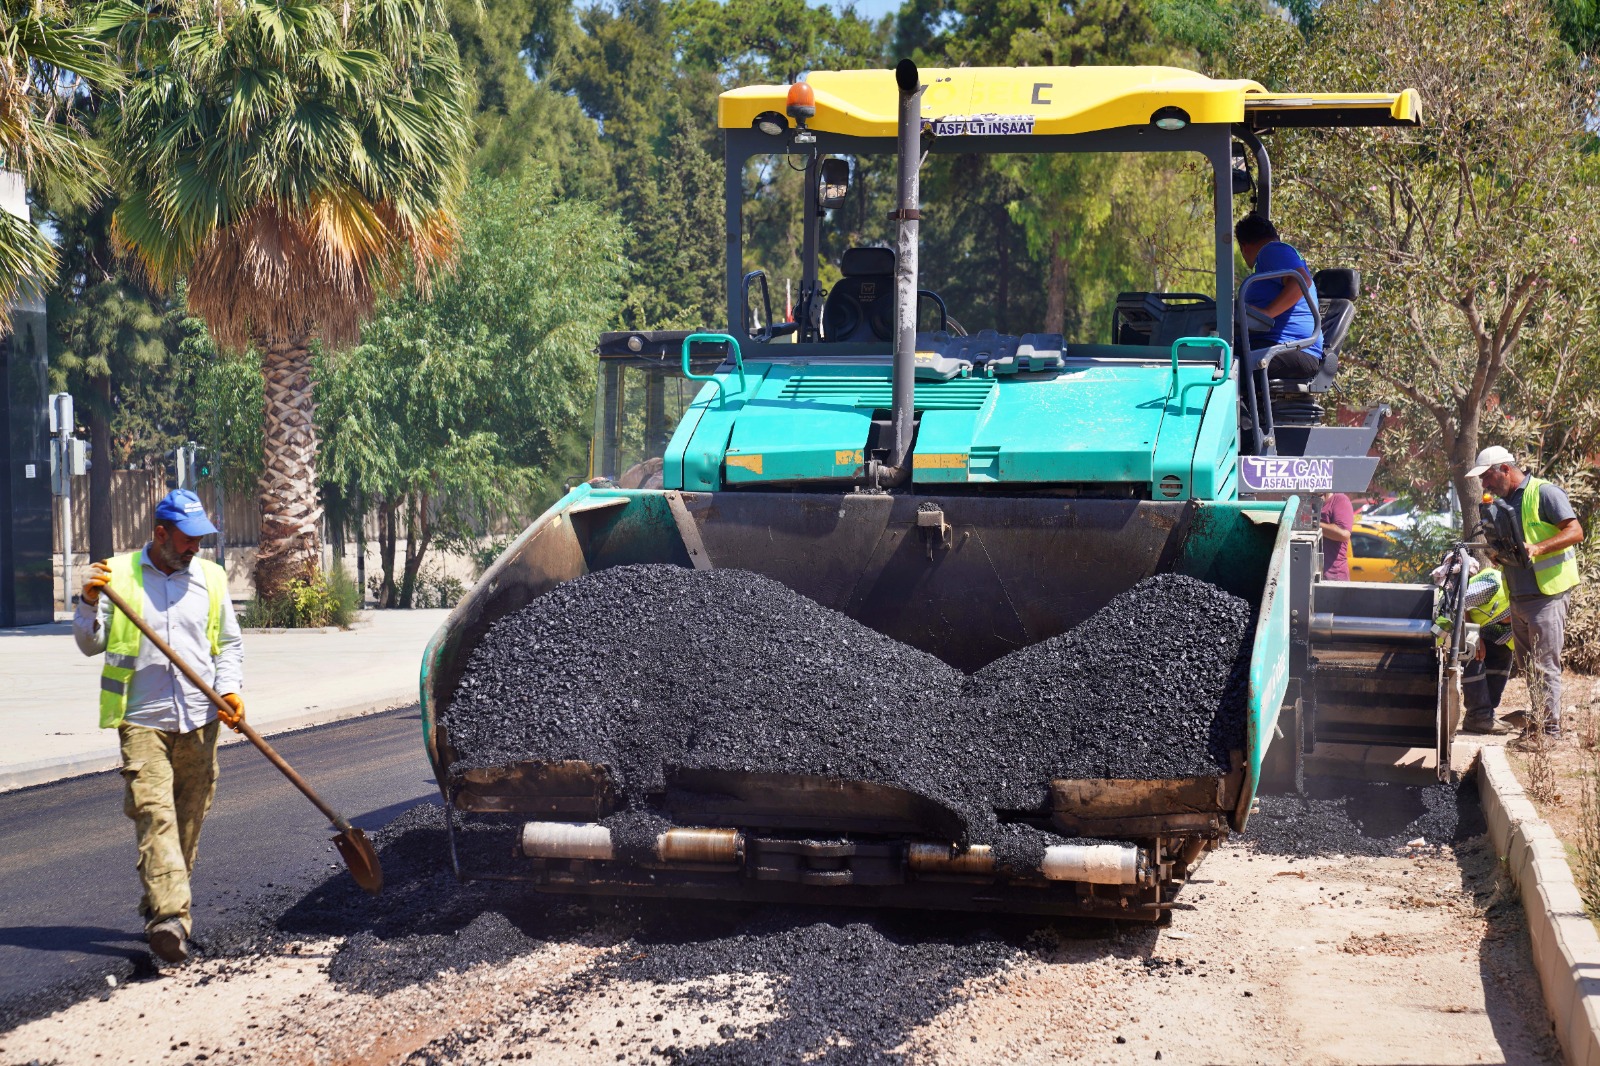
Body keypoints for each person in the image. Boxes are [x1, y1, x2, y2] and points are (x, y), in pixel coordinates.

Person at [74, 489, 244, 964]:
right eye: (187, 540)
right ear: (161, 534)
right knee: (155, 815)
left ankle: (161, 910)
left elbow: (229, 644)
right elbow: (91, 645)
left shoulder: (209, 578)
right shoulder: (118, 576)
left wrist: (229, 690)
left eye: (199, 540)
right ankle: (172, 918)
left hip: (200, 718)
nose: (195, 549)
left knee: (187, 822)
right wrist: (88, 602)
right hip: (142, 720)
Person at [1468, 445, 1584, 742]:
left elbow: (1575, 532)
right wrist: (1499, 555)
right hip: (1519, 595)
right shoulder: (1505, 503)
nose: (1485, 484)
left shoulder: (1544, 493)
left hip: (1547, 593)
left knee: (1545, 665)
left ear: (1505, 469)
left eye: (1488, 477)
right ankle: (1540, 725)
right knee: (1529, 666)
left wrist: (1539, 548)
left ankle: (1549, 732)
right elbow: (1514, 544)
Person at [1432, 554, 1514, 735]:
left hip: (1484, 631)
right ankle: (1479, 715)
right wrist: (1473, 636)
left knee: (1504, 653)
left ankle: (1485, 714)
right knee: (1471, 650)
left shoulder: (1529, 602)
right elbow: (1456, 603)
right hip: (1450, 625)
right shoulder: (1494, 585)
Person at [1235, 213, 1322, 377]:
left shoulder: (1270, 251)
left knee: (1222, 367)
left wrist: (1267, 313)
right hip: (1280, 347)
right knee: (1224, 356)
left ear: (1244, 246)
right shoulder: (1273, 256)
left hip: (1290, 348)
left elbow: (1302, 281)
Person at [1319, 491, 1354, 580]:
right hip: (1307, 574)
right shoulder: (1304, 502)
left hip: (1333, 576)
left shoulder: (1339, 500)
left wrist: (1313, 524)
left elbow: (1343, 534)